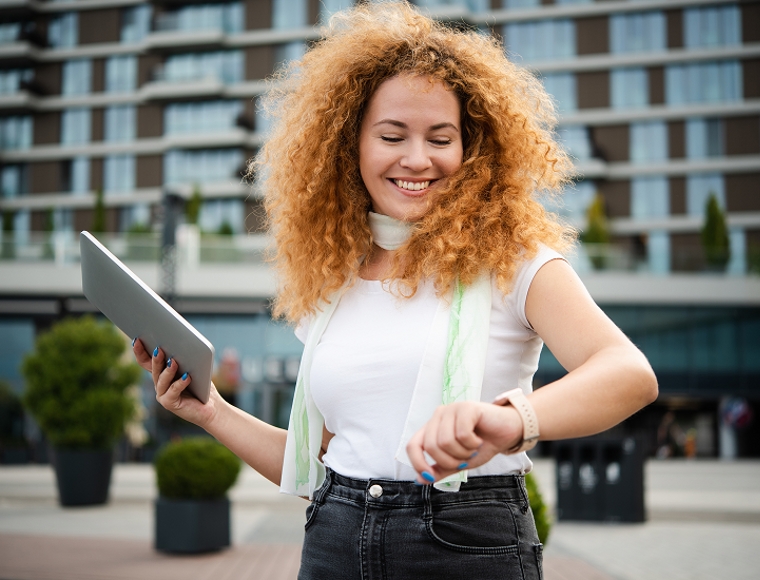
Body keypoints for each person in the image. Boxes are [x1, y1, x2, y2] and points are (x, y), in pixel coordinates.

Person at [133, 3, 658, 578]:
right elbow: (314, 464)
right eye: (392, 135)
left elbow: (629, 374)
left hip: (465, 543)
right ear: (350, 146)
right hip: (334, 537)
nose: (417, 159)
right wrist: (210, 412)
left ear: (471, 148)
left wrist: (513, 420)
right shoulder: (334, 279)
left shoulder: (513, 260)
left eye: (441, 138)